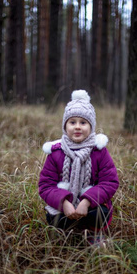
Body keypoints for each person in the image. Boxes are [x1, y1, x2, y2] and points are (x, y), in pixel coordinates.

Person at [38, 89, 119, 244]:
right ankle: (67, 234)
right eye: (72, 122)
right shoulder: (56, 152)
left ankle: (93, 234)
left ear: (91, 126)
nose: (77, 127)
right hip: (65, 207)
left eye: (83, 122)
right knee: (54, 217)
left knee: (100, 213)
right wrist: (64, 202)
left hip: (90, 207)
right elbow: (45, 185)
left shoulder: (99, 151)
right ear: (65, 125)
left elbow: (110, 182)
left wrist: (87, 201)